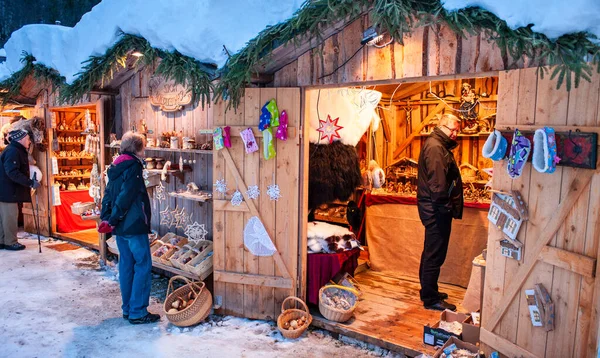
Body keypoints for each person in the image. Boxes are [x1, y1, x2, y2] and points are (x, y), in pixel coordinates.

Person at [99, 131, 159, 324]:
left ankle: (128, 308)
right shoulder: (133, 166)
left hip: (121, 227)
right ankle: (138, 311)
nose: (145, 149)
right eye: (143, 146)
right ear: (137, 148)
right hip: (133, 224)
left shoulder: (116, 166)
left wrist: (108, 217)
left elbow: (108, 194)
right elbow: (126, 196)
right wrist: (113, 218)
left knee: (126, 264)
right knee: (142, 265)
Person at [416, 114, 464, 311]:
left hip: (435, 208)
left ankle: (429, 290)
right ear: (441, 126)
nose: (455, 134)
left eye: (456, 131)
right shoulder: (436, 148)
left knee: (431, 252)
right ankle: (430, 298)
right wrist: (445, 208)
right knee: (434, 255)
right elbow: (438, 185)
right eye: (452, 130)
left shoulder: (439, 145)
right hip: (436, 211)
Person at [0, 129, 41, 250]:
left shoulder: (13, 150)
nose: (29, 142)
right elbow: (12, 172)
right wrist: (29, 182)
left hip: (5, 191)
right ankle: (10, 242)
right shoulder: (13, 151)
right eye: (28, 139)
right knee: (10, 217)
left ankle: (3, 240)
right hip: (8, 191)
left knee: (4, 217)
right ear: (21, 139)